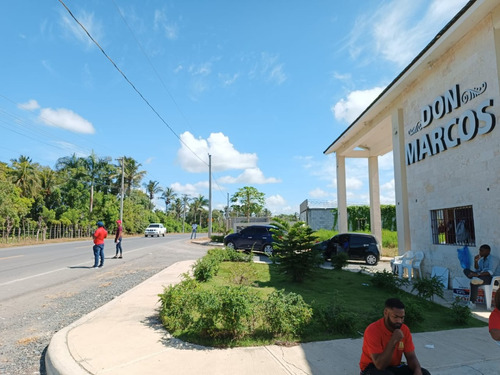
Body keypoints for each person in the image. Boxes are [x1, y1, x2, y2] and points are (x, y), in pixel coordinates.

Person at [359, 298, 430, 375]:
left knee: (425, 373)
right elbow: (380, 365)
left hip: (394, 367)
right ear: (386, 313)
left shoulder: (404, 329)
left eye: (402, 317)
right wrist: (393, 340)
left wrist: (417, 370)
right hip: (372, 368)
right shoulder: (372, 330)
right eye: (395, 317)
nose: (399, 321)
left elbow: (411, 357)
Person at [463, 244, 499, 308]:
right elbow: (477, 270)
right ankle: (475, 279)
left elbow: (490, 272)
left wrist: (477, 274)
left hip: (493, 279)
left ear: (488, 251)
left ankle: (472, 303)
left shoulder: (493, 259)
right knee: (466, 270)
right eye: (480, 250)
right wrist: (476, 261)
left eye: (482, 251)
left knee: (474, 282)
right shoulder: (482, 260)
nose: (480, 252)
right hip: (481, 276)